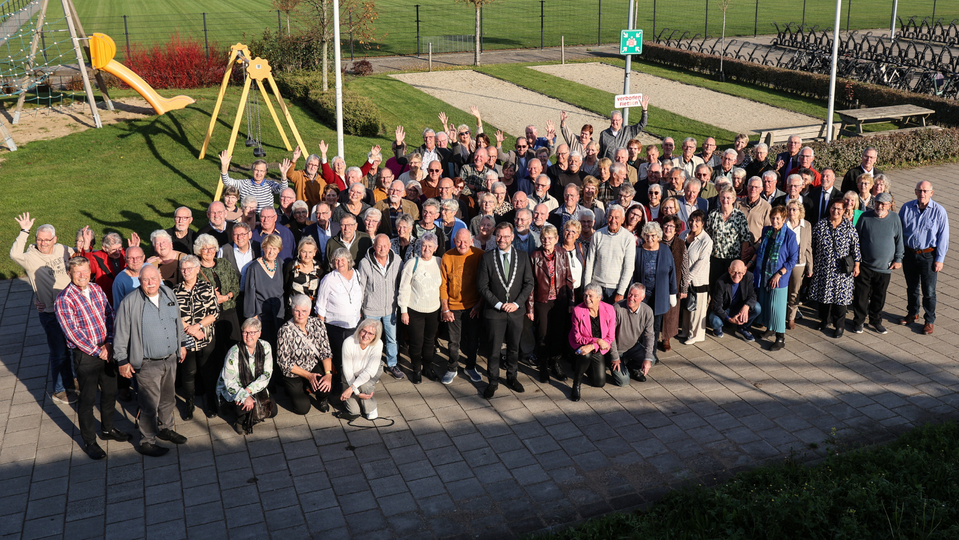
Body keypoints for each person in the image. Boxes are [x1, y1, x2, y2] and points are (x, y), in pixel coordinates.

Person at [55, 257, 130, 459]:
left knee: (110, 392)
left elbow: (110, 315)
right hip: (86, 355)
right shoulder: (64, 299)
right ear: (69, 274)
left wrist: (110, 343)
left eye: (85, 271)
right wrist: (99, 351)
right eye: (77, 272)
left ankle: (107, 429)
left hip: (107, 348)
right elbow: (72, 333)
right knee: (87, 400)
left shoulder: (96, 289)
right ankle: (89, 441)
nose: (82, 276)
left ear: (90, 271)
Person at [114, 264, 188, 457]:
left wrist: (181, 344)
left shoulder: (168, 294)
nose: (150, 283)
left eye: (154, 278)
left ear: (159, 278)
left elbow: (177, 320)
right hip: (147, 363)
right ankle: (147, 442)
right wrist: (122, 361)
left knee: (168, 399)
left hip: (170, 359)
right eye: (145, 280)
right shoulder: (130, 302)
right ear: (140, 281)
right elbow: (120, 333)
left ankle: (166, 428)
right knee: (149, 404)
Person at [11, 215, 78, 403]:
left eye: (47, 240)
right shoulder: (30, 257)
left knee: (72, 348)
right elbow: (14, 254)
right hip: (51, 313)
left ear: (54, 239)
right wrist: (24, 231)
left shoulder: (63, 249)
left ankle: (71, 379)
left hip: (71, 309)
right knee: (59, 352)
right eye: (39, 239)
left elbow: (80, 256)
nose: (43, 243)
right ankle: (60, 390)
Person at [478, 223, 534, 398]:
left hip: (516, 312)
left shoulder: (522, 257)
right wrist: (498, 304)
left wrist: (517, 304)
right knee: (494, 349)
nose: (502, 239)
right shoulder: (487, 258)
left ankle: (512, 377)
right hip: (495, 312)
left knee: (514, 347)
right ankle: (493, 381)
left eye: (506, 236)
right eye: (499, 236)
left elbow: (529, 283)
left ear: (512, 237)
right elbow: (482, 287)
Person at [173, 255, 219, 420]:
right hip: (186, 340)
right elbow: (174, 315)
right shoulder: (175, 291)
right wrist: (190, 330)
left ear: (197, 270)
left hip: (205, 337)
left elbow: (215, 313)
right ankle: (189, 403)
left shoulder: (207, 287)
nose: (186, 272)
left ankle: (210, 400)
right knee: (188, 372)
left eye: (189, 268)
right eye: (183, 269)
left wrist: (198, 326)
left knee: (208, 371)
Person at [899, 181, 949, 335]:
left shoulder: (939, 211)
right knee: (912, 287)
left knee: (929, 290)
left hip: (928, 255)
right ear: (915, 192)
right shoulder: (906, 208)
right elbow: (899, 232)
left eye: (925, 191)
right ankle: (913, 313)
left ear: (931, 193)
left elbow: (943, 237)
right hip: (909, 254)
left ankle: (929, 320)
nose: (922, 194)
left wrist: (940, 259)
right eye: (919, 191)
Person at [527, 224, 574, 383]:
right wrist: (530, 308)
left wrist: (571, 301)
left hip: (560, 300)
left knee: (557, 333)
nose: (546, 241)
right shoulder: (535, 255)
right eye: (544, 238)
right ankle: (542, 365)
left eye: (550, 238)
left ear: (556, 239)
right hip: (542, 300)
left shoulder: (562, 253)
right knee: (543, 333)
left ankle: (555, 363)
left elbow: (568, 278)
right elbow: (530, 284)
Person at [809, 199, 861, 338]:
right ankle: (824, 320)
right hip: (823, 268)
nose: (835, 211)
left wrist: (857, 265)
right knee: (823, 297)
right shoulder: (821, 225)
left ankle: (839, 326)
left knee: (840, 300)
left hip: (842, 271)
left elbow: (856, 248)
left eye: (839, 209)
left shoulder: (849, 227)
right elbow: (812, 246)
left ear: (844, 211)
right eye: (833, 208)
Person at [852, 193, 903, 335]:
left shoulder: (895, 218)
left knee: (879, 296)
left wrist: (898, 259)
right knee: (861, 296)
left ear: (889, 205)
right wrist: (857, 262)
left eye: (883, 204)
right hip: (865, 265)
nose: (879, 206)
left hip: (885, 267)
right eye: (877, 203)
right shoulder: (865, 217)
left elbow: (899, 240)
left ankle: (875, 321)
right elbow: (856, 240)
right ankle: (858, 322)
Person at [276, 295, 334, 415]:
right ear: (292, 310)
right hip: (294, 371)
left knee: (326, 385)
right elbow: (284, 363)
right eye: (297, 311)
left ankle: (322, 399)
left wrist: (328, 374)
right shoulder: (285, 331)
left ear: (309, 311)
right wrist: (309, 376)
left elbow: (325, 351)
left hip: (312, 364)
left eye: (304, 311)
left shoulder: (317, 323)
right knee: (302, 409)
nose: (300, 314)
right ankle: (295, 388)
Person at [751, 206, 798, 351]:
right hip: (764, 274)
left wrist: (779, 274)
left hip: (779, 277)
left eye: (778, 218)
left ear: (784, 219)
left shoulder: (790, 235)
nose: (775, 221)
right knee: (766, 304)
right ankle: (770, 329)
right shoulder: (767, 231)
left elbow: (793, 259)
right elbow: (761, 250)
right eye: (773, 218)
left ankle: (780, 338)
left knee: (777, 307)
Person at [356, 234, 403, 379]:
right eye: (379, 246)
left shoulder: (397, 261)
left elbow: (401, 284)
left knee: (391, 338)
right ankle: (370, 367)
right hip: (371, 309)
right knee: (369, 339)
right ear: (373, 246)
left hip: (390, 308)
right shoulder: (364, 263)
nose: (382, 249)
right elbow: (361, 287)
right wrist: (359, 309)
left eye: (385, 246)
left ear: (390, 246)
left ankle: (392, 364)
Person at [397, 232, 442, 383]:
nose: (426, 249)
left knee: (429, 341)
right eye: (424, 245)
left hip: (433, 310)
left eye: (430, 246)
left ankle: (428, 368)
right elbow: (403, 288)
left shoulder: (439, 262)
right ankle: (416, 369)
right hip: (415, 310)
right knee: (416, 342)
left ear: (435, 248)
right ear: (419, 247)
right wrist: (404, 311)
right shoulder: (412, 263)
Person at [218, 317, 273, 434]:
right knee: (242, 406)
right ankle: (239, 419)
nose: (248, 336)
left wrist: (248, 390)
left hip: (252, 386)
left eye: (252, 332)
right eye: (245, 332)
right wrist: (243, 396)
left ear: (259, 334)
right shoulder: (233, 352)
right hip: (235, 388)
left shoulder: (266, 346)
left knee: (273, 411)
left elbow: (267, 374)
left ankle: (250, 414)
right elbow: (229, 382)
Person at [568, 283, 621, 401]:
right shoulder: (578, 311)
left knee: (599, 382)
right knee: (585, 355)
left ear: (599, 297)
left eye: (590, 296)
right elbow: (577, 337)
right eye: (585, 295)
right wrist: (597, 340)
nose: (587, 299)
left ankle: (580, 365)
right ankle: (576, 383)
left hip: (597, 347)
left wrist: (593, 345)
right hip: (581, 344)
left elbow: (610, 337)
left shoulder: (609, 309)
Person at [315, 248, 364, 365]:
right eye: (336, 260)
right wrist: (322, 332)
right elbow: (320, 307)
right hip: (336, 328)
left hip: (355, 325)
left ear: (348, 260)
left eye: (342, 260)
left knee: (355, 357)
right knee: (340, 359)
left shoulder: (357, 274)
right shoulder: (328, 279)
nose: (339, 263)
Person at [634, 222, 677, 352]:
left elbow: (672, 272)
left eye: (653, 235)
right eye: (647, 235)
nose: (650, 238)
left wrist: (673, 292)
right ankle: (640, 352)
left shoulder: (665, 250)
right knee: (641, 325)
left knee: (655, 326)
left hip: (660, 294)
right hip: (642, 295)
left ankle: (651, 353)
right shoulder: (638, 251)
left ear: (658, 236)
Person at [583, 205, 635, 303]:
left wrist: (621, 292)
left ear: (623, 220)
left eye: (617, 217)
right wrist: (587, 287)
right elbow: (590, 262)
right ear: (607, 218)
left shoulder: (629, 238)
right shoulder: (597, 235)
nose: (613, 220)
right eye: (610, 217)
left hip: (615, 288)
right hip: (596, 286)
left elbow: (629, 268)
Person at [243, 233, 285, 349]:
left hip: (279, 313)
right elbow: (250, 294)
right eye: (269, 248)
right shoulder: (254, 268)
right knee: (264, 346)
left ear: (279, 250)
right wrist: (253, 317)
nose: (271, 252)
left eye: (275, 248)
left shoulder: (280, 263)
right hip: (261, 315)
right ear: (263, 248)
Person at [338, 319, 385, 421]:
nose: (365, 335)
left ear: (375, 336)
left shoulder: (378, 344)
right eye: (364, 331)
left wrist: (351, 389)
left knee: (364, 385)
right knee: (354, 411)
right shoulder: (348, 342)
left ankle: (371, 408)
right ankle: (360, 396)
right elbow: (347, 371)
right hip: (350, 374)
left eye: (370, 333)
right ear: (359, 330)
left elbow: (369, 372)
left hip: (370, 373)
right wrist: (356, 393)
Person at [705, 186, 752, 285]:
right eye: (723, 197)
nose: (725, 200)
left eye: (728, 198)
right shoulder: (713, 215)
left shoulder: (739, 216)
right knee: (715, 286)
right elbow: (707, 236)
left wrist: (742, 260)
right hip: (715, 259)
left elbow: (745, 239)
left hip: (733, 259)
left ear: (734, 199)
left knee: (730, 286)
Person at [680, 210, 713, 345]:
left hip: (698, 280)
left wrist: (688, 277)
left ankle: (696, 334)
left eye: (697, 221)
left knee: (697, 308)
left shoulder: (706, 240)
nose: (693, 223)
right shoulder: (683, 234)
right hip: (684, 278)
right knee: (687, 306)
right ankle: (685, 331)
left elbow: (702, 262)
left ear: (703, 223)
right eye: (692, 220)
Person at [612, 283, 657, 382]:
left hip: (633, 347)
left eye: (635, 296)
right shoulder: (617, 308)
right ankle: (616, 365)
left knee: (651, 359)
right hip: (617, 350)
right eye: (630, 294)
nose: (631, 298)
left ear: (643, 297)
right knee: (623, 381)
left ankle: (632, 367)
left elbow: (649, 336)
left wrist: (647, 358)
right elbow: (609, 335)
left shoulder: (647, 311)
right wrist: (614, 357)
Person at [709, 260, 761, 341]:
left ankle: (743, 329)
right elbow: (717, 306)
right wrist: (729, 319)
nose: (736, 275)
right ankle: (719, 328)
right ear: (729, 270)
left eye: (740, 272)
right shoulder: (721, 282)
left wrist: (746, 307)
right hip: (724, 309)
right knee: (715, 321)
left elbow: (752, 296)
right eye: (734, 272)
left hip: (738, 308)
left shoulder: (749, 276)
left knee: (757, 308)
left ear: (744, 271)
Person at [219, 151, 287, 211]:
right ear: (252, 170)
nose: (258, 173)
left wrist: (284, 175)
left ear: (265, 172)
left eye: (261, 171)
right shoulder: (244, 184)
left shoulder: (270, 184)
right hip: (248, 217)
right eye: (256, 170)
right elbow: (227, 182)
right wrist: (224, 166)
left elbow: (283, 190)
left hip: (266, 217)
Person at [659, 216, 689, 351]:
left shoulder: (681, 244)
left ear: (676, 229)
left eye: (671, 226)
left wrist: (684, 288)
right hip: (658, 282)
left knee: (671, 312)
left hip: (674, 283)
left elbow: (685, 268)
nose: (668, 228)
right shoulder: (657, 241)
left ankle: (666, 337)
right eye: (666, 225)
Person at [784, 200, 814, 330]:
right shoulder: (783, 223)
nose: (791, 212)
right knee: (782, 290)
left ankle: (791, 317)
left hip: (799, 263)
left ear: (800, 211)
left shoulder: (806, 225)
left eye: (794, 209)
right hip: (784, 263)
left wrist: (810, 267)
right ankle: (781, 315)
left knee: (794, 292)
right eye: (789, 209)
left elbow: (808, 247)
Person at [282, 236, 322, 317]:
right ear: (299, 251)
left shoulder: (320, 268)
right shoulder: (291, 267)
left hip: (312, 313)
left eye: (310, 252)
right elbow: (285, 288)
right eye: (304, 252)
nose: (307, 255)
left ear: (315, 252)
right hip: (294, 313)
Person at [219, 222, 260, 292]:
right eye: (236, 235)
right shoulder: (223, 250)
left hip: (253, 293)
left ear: (250, 235)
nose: (239, 238)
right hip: (231, 294)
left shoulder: (259, 248)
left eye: (243, 234)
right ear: (232, 236)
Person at [735, 177, 772, 243]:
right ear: (747, 187)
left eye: (756, 187)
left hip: (755, 246)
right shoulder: (738, 204)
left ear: (761, 189)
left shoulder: (767, 207)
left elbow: (768, 231)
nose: (753, 189)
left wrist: (755, 246)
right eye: (751, 186)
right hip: (737, 244)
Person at [113, 246, 146, 312]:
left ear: (143, 258)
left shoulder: (151, 269)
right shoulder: (119, 281)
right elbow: (118, 308)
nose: (135, 261)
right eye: (131, 258)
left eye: (138, 257)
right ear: (125, 259)